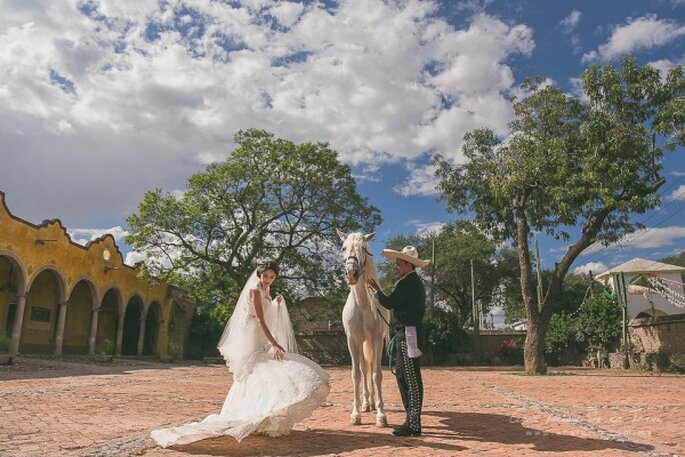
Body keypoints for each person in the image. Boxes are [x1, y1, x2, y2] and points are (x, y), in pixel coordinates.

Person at [151, 261, 330, 447]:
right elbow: (260, 320)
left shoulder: (266, 290)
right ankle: (254, 414)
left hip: (260, 334)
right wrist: (275, 343)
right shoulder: (254, 290)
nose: (268, 280)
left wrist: (275, 303)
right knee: (259, 370)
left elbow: (267, 313)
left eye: (272, 277)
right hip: (253, 334)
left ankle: (263, 416)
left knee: (259, 375)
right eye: (266, 276)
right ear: (259, 274)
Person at [366, 246, 428, 437]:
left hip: (409, 333)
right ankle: (410, 419)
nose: (397, 266)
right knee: (402, 375)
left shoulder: (408, 283)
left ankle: (414, 424)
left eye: (399, 263)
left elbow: (390, 302)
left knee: (410, 377)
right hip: (405, 332)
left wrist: (377, 291)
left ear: (409, 264)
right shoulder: (410, 282)